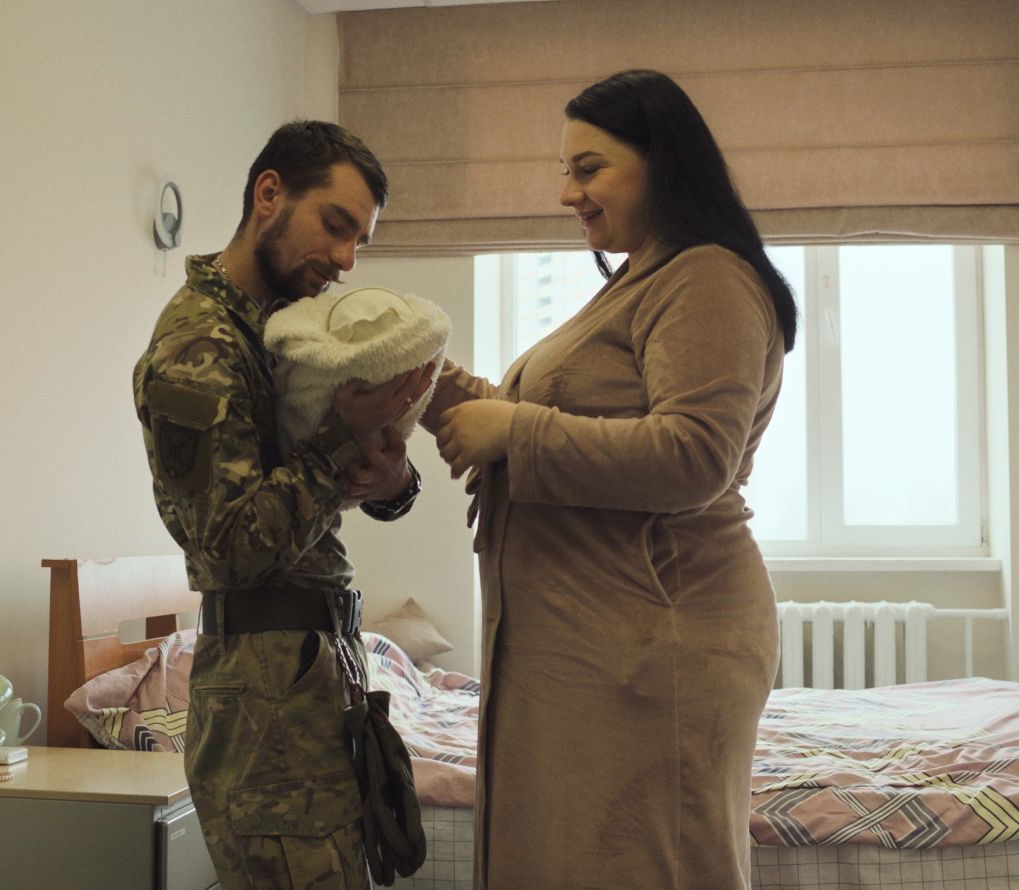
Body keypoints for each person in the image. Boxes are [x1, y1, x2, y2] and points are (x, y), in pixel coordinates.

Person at [426, 70, 798, 889]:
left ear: (662, 161)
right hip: (593, 643)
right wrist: (419, 381)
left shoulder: (705, 278)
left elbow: (693, 455)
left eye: (588, 169)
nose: (568, 194)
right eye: (564, 172)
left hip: (654, 641)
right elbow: (540, 419)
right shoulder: (639, 281)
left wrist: (513, 430)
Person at [133, 119, 432, 889]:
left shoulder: (285, 335)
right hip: (265, 694)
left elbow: (321, 492)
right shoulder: (198, 346)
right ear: (269, 193)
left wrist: (390, 478)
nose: (346, 258)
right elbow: (231, 546)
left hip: (310, 669)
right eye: (335, 225)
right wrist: (339, 441)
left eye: (359, 239)